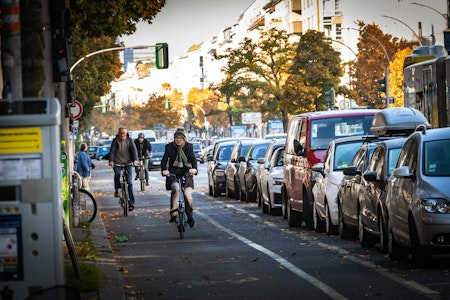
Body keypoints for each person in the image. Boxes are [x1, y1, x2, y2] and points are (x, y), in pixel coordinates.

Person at [161, 128, 198, 227]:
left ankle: (190, 216)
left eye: (181, 138)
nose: (178, 140)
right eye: (176, 138)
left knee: (187, 195)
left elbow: (193, 159)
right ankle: (174, 214)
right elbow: (164, 160)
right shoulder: (169, 147)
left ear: (184, 139)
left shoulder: (189, 147)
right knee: (176, 189)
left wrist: (194, 169)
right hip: (173, 174)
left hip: (187, 173)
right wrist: (164, 170)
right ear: (174, 138)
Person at [109, 127, 139, 211]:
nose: (122, 135)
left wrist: (135, 160)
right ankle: (117, 189)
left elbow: (134, 151)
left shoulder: (130, 140)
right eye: (121, 133)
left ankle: (131, 202)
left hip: (128, 163)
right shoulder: (115, 141)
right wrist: (111, 161)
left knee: (129, 182)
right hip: (117, 163)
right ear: (118, 133)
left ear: (126, 134)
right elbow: (112, 151)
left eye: (124, 133)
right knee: (117, 174)